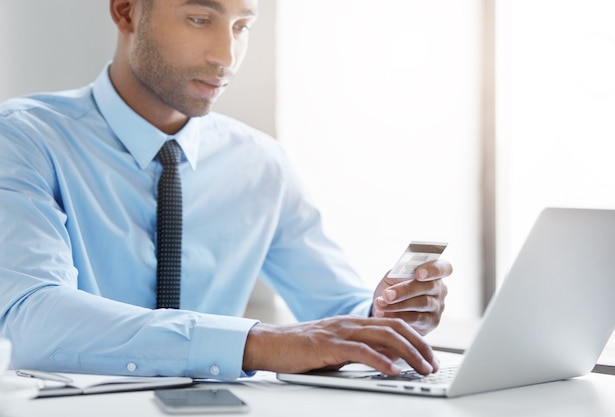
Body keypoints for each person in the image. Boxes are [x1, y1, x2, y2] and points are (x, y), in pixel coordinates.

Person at [0, 0, 452, 380]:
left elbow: (338, 307)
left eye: (242, 26)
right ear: (126, 12)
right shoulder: (24, 139)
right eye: (200, 19)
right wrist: (254, 344)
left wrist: (386, 319)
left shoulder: (260, 163)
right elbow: (35, 319)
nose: (226, 56)